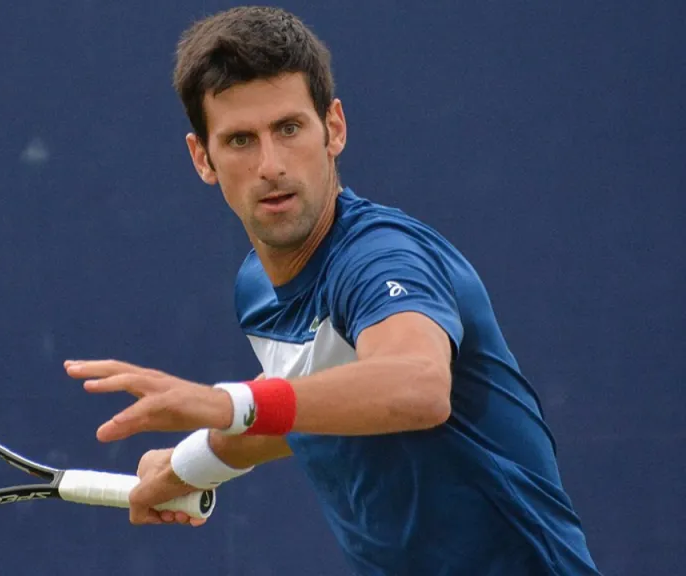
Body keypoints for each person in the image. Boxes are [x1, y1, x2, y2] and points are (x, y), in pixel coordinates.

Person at [65, 6, 600, 575]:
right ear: (204, 158)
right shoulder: (256, 287)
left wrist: (228, 401)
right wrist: (188, 466)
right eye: (241, 140)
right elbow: (306, 412)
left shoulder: (381, 258)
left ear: (334, 129)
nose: (270, 164)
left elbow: (417, 387)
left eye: (289, 129)